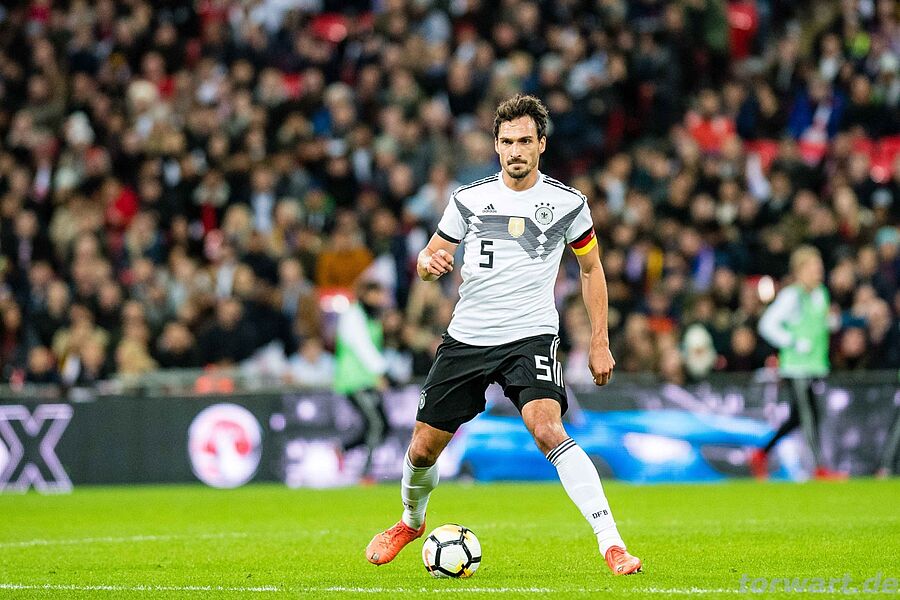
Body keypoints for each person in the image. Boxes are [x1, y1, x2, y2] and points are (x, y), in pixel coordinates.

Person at [365, 95, 642, 576]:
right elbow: (428, 259)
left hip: (530, 335)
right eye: (508, 141)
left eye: (525, 141)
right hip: (468, 336)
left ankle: (612, 545)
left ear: (541, 145)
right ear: (496, 145)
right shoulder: (468, 199)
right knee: (422, 449)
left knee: (548, 429)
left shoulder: (568, 203)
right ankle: (410, 522)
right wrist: (428, 264)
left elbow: (591, 269)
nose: (516, 150)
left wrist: (600, 340)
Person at [753, 246, 845, 480]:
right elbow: (767, 324)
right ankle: (819, 468)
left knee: (797, 418)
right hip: (796, 368)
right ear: (800, 270)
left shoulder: (820, 294)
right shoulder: (791, 296)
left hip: (814, 366)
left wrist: (832, 322)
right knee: (809, 417)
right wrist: (792, 341)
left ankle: (761, 453)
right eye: (814, 268)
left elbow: (820, 324)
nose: (819, 272)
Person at [334, 280, 392, 482]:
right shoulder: (353, 315)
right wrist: (382, 372)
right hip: (355, 380)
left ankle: (342, 449)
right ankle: (366, 473)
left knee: (380, 425)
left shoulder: (370, 316)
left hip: (368, 380)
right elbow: (362, 346)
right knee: (377, 424)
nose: (379, 299)